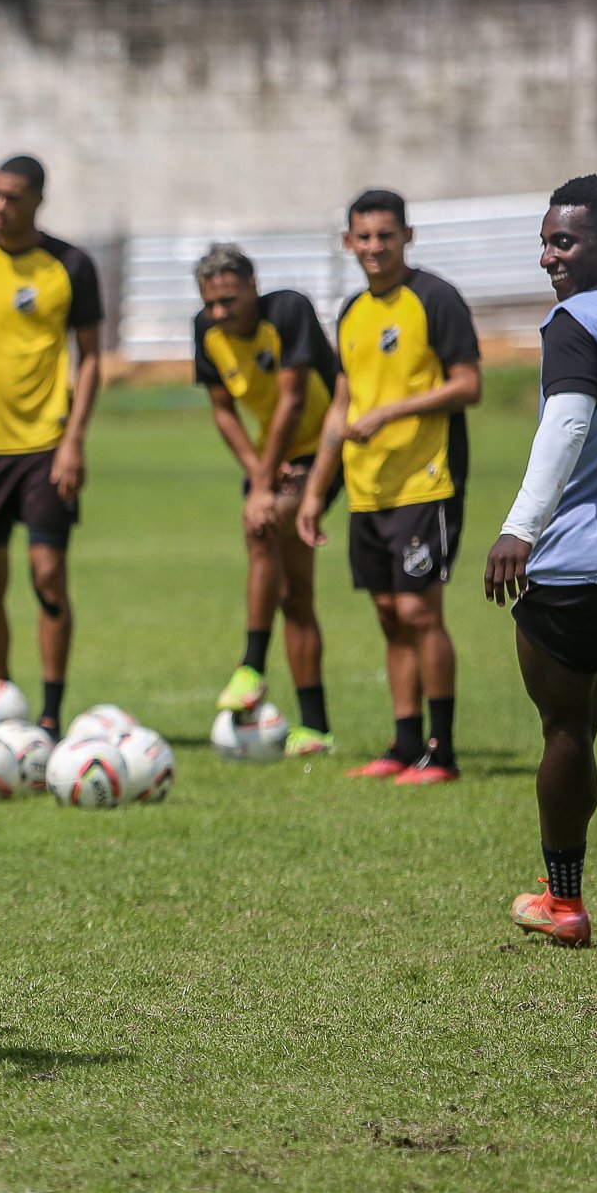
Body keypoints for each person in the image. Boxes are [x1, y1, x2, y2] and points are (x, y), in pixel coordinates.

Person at [486, 175, 597, 959]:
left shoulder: (574, 322)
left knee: (567, 731)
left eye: (564, 242)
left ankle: (564, 901)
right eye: (546, 241)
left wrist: (519, 528)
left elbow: (565, 422)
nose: (548, 257)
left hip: (577, 564)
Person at [297, 189, 481, 784]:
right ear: (349, 243)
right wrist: (312, 493)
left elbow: (468, 384)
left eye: (386, 235)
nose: (375, 247)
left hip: (426, 482)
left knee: (417, 611)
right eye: (364, 237)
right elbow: (342, 407)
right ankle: (402, 744)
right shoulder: (351, 311)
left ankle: (442, 750)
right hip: (366, 488)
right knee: (386, 613)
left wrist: (395, 412)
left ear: (408, 236)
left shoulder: (436, 298)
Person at [0, 155, 103, 738]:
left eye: (13, 197)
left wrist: (74, 441)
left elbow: (93, 356)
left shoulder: (70, 265)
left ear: (37, 200)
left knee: (48, 573)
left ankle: (52, 712)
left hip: (47, 446)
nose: (0, 207)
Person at [191, 243, 337, 755]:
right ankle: (314, 727)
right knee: (295, 593)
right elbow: (223, 411)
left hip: (328, 446)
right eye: (211, 303)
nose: (220, 313)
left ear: (253, 285)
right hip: (273, 458)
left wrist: (260, 490)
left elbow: (295, 400)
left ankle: (251, 666)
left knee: (265, 522)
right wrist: (258, 472)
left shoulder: (288, 310)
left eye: (229, 300)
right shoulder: (205, 332)